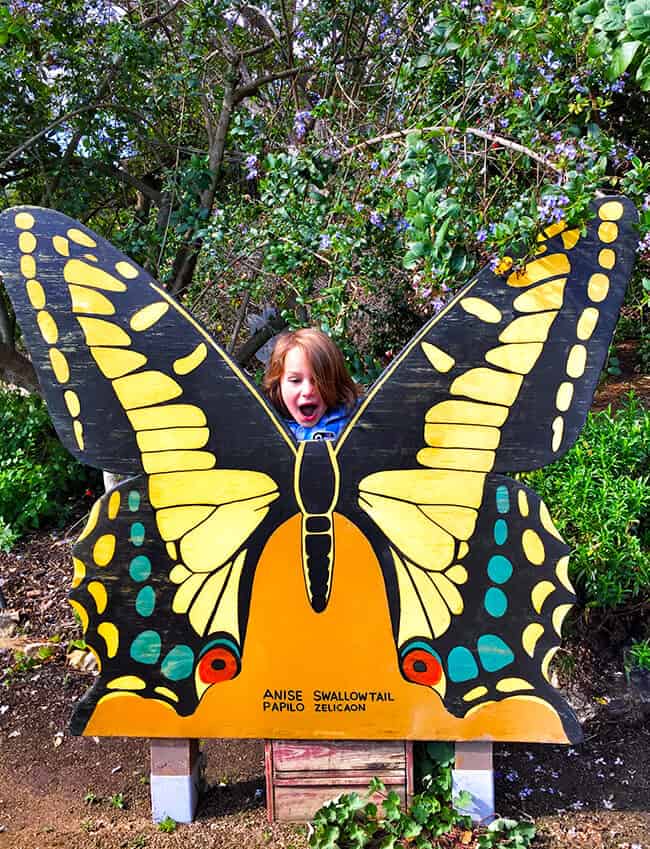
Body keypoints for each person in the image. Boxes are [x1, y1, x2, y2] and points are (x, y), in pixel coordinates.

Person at [263, 327, 362, 441]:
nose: (307, 391)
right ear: (278, 384)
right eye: (295, 380)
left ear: (336, 381)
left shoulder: (358, 420)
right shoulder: (266, 428)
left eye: (318, 380)